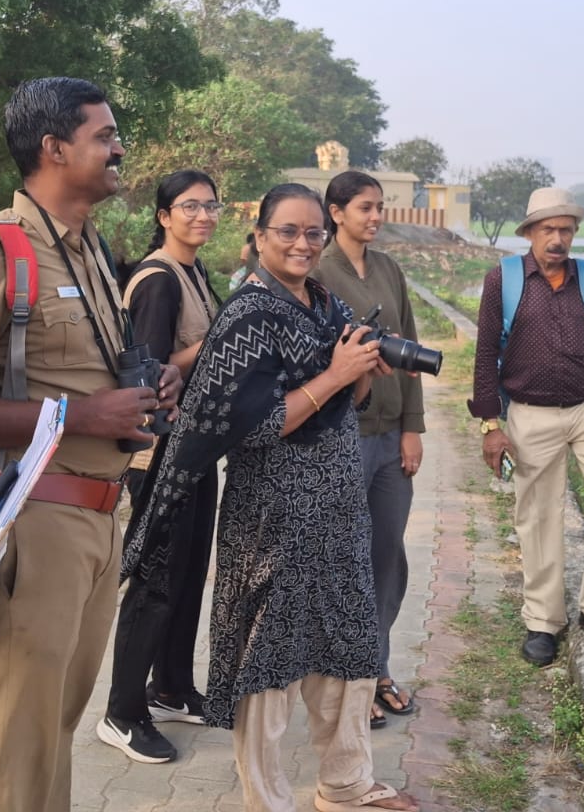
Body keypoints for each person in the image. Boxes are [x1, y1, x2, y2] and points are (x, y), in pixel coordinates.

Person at [0, 77, 184, 812]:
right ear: (53, 148)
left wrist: (147, 390)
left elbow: (90, 378)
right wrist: (79, 416)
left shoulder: (89, 253)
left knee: (54, 733)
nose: (118, 147)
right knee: (16, 746)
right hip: (37, 521)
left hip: (102, 520)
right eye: (104, 136)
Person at [124, 184, 420, 812]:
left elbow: (353, 405)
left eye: (313, 233)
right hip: (274, 514)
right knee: (270, 661)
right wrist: (336, 375)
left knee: (349, 643)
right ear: (259, 236)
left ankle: (346, 785)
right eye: (287, 231)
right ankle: (267, 799)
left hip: (337, 507)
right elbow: (251, 428)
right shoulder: (248, 315)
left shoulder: (326, 304)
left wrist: (359, 374)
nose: (303, 243)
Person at [468, 187, 584, 666]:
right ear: (530, 233)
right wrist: (491, 424)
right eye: (548, 229)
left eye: (565, 229)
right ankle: (543, 622)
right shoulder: (502, 281)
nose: (558, 238)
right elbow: (486, 354)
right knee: (539, 517)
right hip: (530, 413)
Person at [98, 168, 225, 762]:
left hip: (195, 449)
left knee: (187, 569)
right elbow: (146, 370)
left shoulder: (196, 272)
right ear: (164, 215)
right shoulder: (158, 280)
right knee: (154, 578)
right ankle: (122, 712)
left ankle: (171, 686)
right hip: (159, 453)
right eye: (190, 206)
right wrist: (222, 336)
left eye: (211, 206)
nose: (203, 216)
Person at [313, 170, 426, 728]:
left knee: (387, 557)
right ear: (336, 213)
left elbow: (410, 351)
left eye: (380, 207)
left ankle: (376, 668)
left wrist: (413, 427)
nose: (376, 216)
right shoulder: (318, 270)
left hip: (389, 441)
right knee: (342, 558)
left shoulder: (389, 269)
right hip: (341, 437)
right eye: (365, 207)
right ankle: (343, 681)